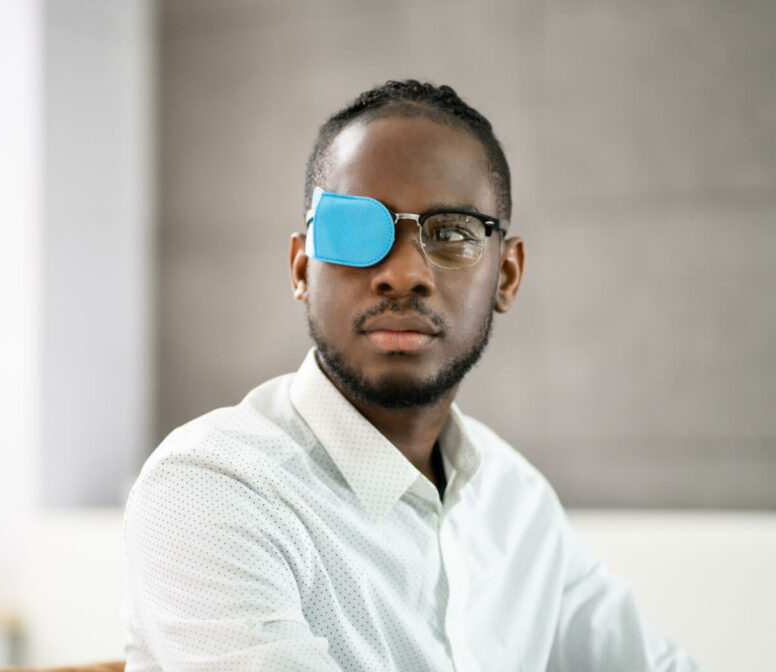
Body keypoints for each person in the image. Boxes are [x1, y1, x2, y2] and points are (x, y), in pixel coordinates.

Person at [123, 80, 702, 671]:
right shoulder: (211, 487)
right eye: (354, 229)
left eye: (450, 232)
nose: (402, 273)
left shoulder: (516, 501)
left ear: (506, 275)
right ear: (302, 268)